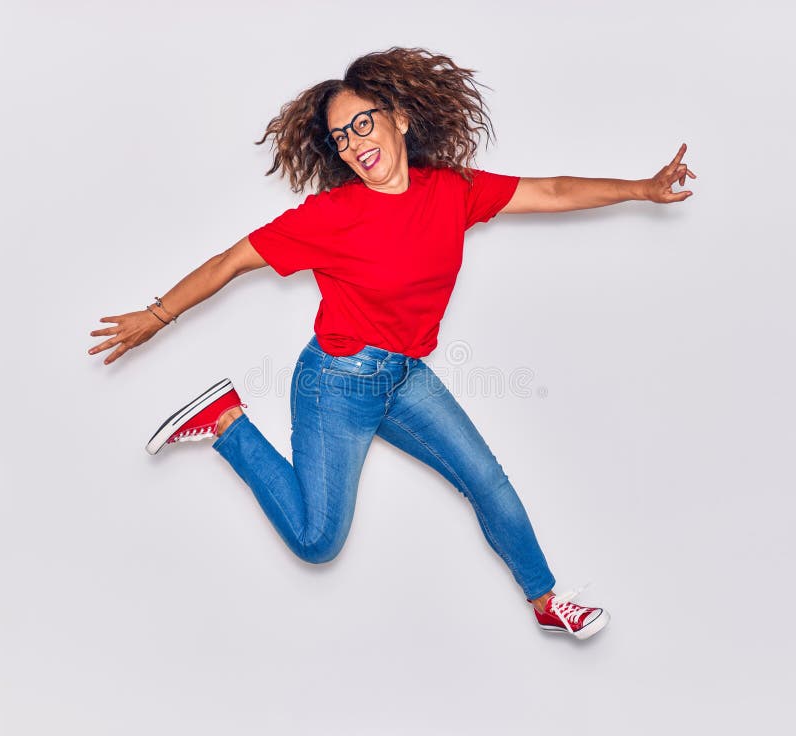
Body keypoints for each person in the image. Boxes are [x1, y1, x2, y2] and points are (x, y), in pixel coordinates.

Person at [88, 47, 696, 641]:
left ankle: (546, 602)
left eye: (363, 123)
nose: (355, 143)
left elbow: (555, 191)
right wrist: (156, 314)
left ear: (398, 118)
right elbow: (231, 261)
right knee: (317, 542)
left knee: (487, 481)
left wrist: (644, 188)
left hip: (404, 377)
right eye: (341, 137)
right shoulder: (330, 216)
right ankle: (226, 422)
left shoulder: (452, 191)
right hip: (336, 384)